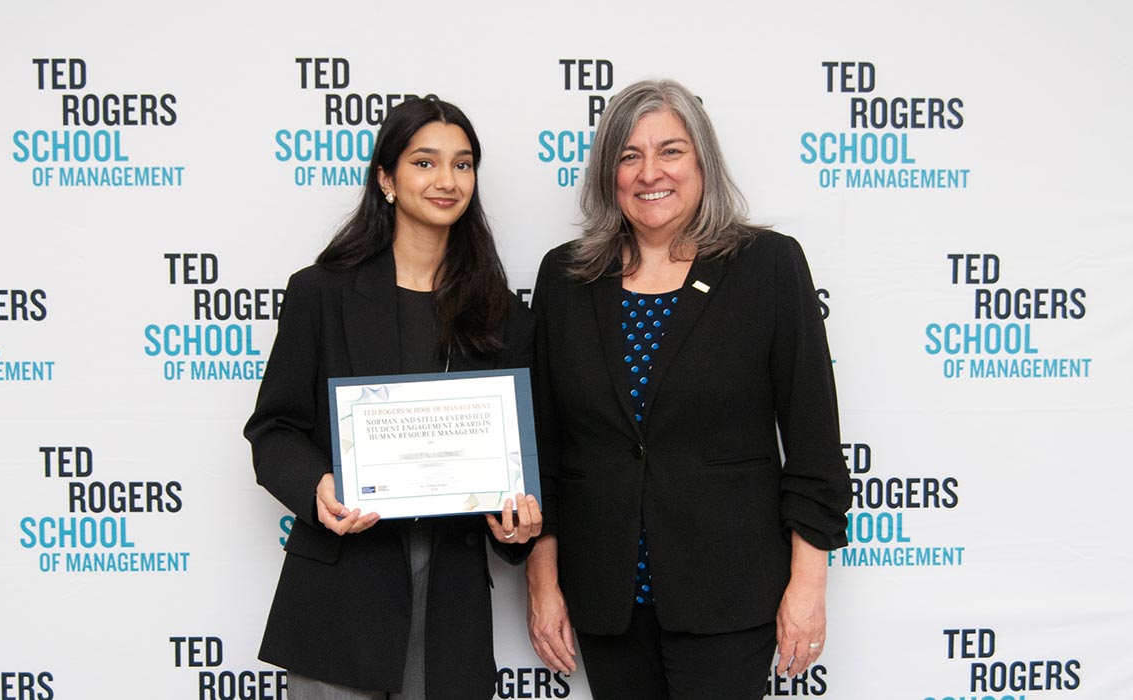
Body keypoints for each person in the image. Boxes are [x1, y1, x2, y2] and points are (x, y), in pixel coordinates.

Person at [524, 79, 851, 700]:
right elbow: (543, 451)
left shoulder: (768, 267)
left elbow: (813, 444)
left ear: (703, 162)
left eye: (670, 151)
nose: (651, 172)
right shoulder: (564, 277)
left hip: (730, 592)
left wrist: (808, 587)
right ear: (607, 172)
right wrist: (543, 584)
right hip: (605, 596)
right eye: (629, 155)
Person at [244, 97, 541, 700]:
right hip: (341, 589)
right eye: (425, 162)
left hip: (451, 595)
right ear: (386, 178)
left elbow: (529, 461)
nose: (446, 180)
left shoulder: (502, 313)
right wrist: (316, 485)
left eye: (462, 165)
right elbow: (273, 430)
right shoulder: (320, 293)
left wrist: (520, 526)